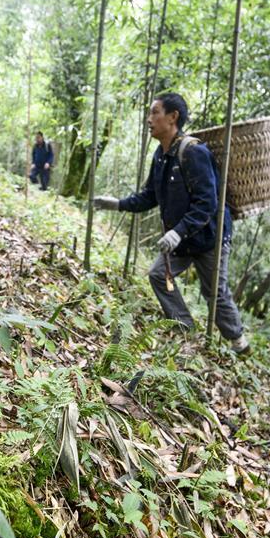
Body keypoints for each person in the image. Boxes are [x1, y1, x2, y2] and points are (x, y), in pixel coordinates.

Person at [93, 93, 249, 354]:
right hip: (181, 239)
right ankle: (185, 329)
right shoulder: (161, 155)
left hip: (209, 237)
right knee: (157, 275)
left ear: (172, 117)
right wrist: (118, 204)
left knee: (214, 293)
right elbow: (150, 196)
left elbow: (207, 203)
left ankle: (239, 343)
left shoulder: (194, 152)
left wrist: (178, 232)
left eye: (154, 112)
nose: (149, 119)